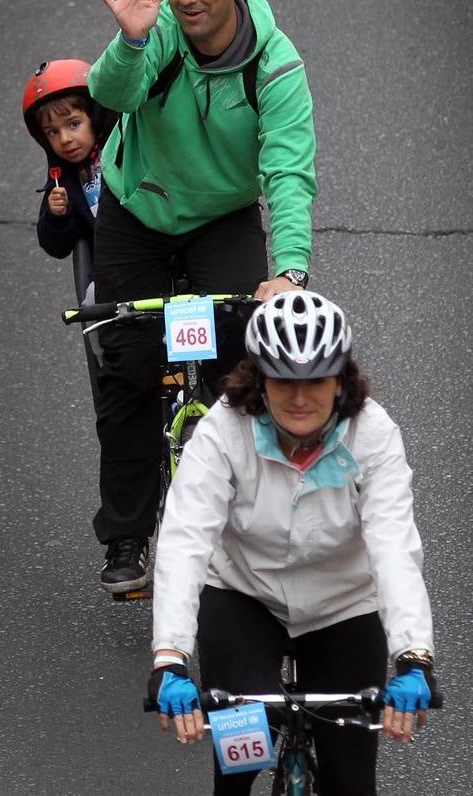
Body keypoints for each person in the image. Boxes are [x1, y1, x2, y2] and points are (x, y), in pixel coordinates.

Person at [86, 0, 317, 594]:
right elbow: (110, 96)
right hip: (139, 209)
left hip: (221, 217)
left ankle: (253, 525)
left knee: (244, 370)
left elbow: (290, 173)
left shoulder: (274, 64)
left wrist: (291, 271)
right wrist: (131, 40)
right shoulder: (156, 34)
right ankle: (128, 535)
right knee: (127, 370)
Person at [148, 291, 439, 796]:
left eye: (317, 381)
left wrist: (413, 656)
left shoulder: (372, 434)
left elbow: (393, 545)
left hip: (342, 604)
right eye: (284, 381)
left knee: (351, 782)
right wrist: (169, 657)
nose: (300, 398)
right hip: (244, 594)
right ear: (259, 381)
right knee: (239, 765)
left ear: (340, 381)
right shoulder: (223, 430)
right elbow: (185, 536)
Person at [22, 58, 118, 261]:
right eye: (52, 132)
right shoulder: (61, 182)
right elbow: (57, 248)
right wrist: (58, 217)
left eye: (73, 124)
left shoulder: (125, 148)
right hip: (112, 269)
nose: (65, 139)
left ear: (95, 116)